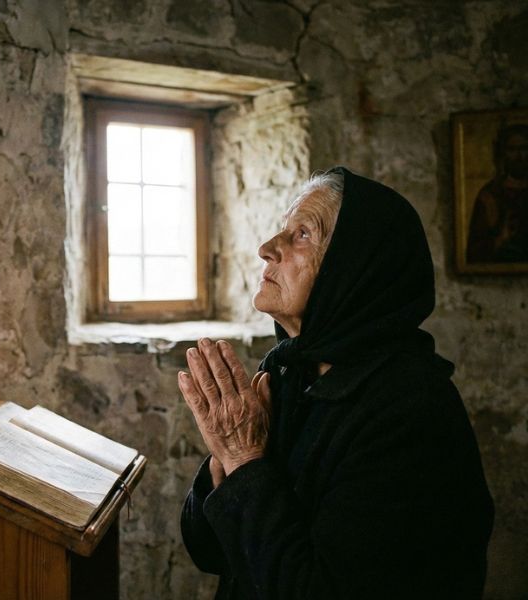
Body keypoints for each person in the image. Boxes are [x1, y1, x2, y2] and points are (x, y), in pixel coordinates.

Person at [179, 167, 494, 599]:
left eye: (303, 234)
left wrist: (243, 459)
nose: (267, 248)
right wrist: (229, 457)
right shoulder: (290, 372)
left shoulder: (409, 410)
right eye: (283, 230)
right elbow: (207, 549)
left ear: (355, 268)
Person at [466, 123, 528, 263]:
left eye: (524, 148)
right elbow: (475, 250)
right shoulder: (490, 195)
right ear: (503, 153)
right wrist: (500, 240)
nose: (519, 156)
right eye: (512, 149)